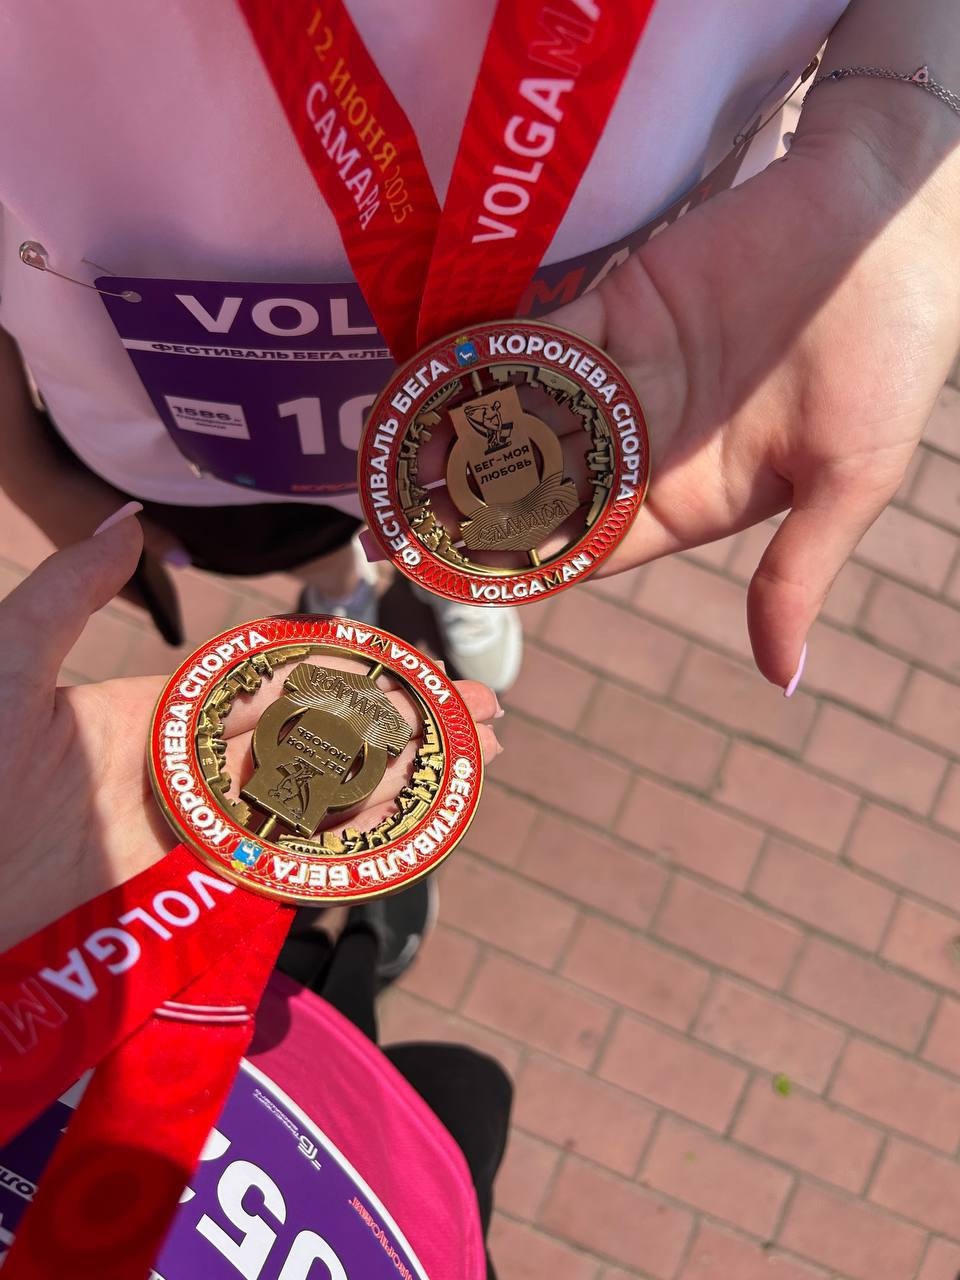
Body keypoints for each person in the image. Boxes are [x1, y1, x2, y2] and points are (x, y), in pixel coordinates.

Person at [0, 0, 958, 701]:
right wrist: (19, 459)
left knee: (494, 502)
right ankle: (339, 588)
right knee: (288, 544)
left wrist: (893, 151)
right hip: (192, 436)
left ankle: (451, 559)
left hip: (635, 328)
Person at [0, 509, 509, 1279]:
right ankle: (361, 947)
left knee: (286, 943)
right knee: (466, 1087)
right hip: (350, 1174)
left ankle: (328, 930)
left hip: (102, 981)